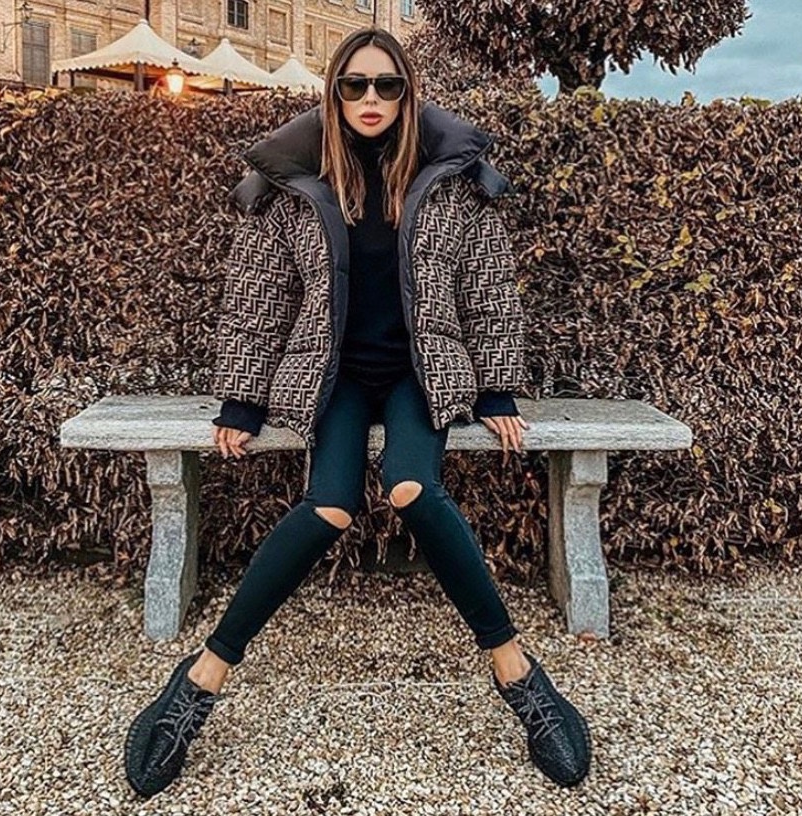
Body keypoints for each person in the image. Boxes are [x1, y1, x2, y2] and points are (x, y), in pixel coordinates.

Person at [123, 25, 592, 798]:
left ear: (407, 94)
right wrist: (242, 399)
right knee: (329, 506)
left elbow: (488, 290)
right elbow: (258, 298)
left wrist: (497, 390)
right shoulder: (294, 186)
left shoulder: (452, 181)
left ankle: (516, 671)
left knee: (412, 487)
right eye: (354, 85)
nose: (370, 98)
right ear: (333, 93)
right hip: (334, 375)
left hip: (418, 373)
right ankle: (200, 680)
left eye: (387, 85)